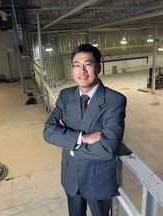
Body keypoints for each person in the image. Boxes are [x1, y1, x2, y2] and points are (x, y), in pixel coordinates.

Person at [43, 43, 127, 216]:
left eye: (88, 64)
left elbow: (108, 147)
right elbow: (48, 132)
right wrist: (83, 138)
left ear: (99, 67)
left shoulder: (115, 100)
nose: (82, 70)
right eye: (76, 65)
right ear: (72, 69)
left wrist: (70, 143)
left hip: (98, 179)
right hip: (71, 176)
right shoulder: (65, 96)